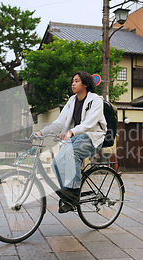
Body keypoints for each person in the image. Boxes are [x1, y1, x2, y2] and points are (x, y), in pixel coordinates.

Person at [33, 71, 106, 213]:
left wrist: (71, 132)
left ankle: (74, 191)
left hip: (92, 136)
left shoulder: (95, 100)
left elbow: (90, 123)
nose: (73, 83)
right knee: (56, 163)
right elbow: (59, 122)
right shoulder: (72, 101)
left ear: (85, 84)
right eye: (72, 80)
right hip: (75, 137)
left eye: (77, 81)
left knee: (72, 154)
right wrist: (41, 132)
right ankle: (68, 195)